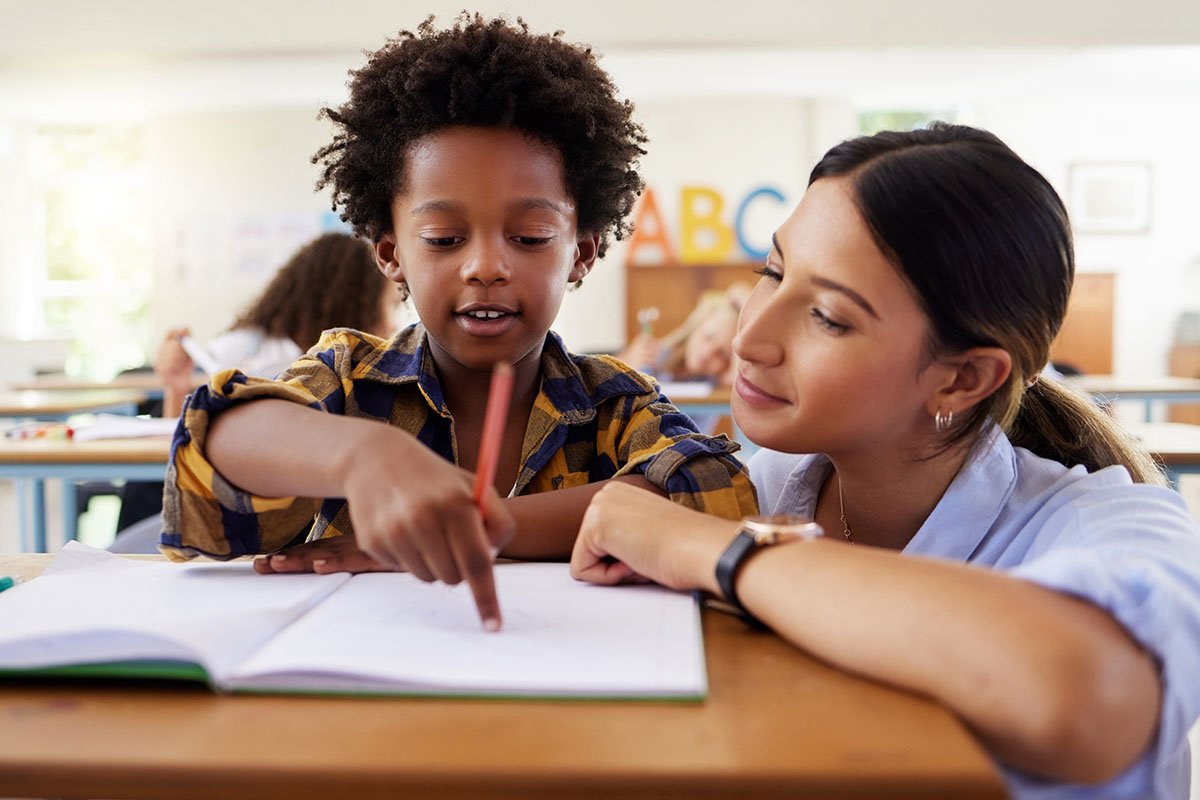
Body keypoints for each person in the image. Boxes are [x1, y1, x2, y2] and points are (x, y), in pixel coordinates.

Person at [567, 124, 1200, 798]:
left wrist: (715, 552)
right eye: (771, 273)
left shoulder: (1113, 523)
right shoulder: (769, 485)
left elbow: (1084, 698)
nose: (750, 338)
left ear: (961, 379)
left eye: (828, 317)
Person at [160, 15, 757, 630]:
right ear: (391, 253)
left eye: (531, 237)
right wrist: (361, 454)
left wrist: (481, 525)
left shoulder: (613, 403)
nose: (486, 266)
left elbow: (718, 494)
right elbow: (211, 456)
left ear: (580, 252)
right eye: (444, 239)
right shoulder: (350, 380)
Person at [154, 231, 398, 418]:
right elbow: (183, 444)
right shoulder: (243, 350)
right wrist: (176, 389)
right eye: (391, 306)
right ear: (354, 305)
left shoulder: (361, 377)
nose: (392, 325)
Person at [618, 282, 751, 386]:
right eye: (708, 337)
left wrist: (746, 314)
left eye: (721, 354)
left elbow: (735, 379)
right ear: (696, 325)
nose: (707, 353)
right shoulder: (653, 356)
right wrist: (626, 366)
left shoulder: (713, 382)